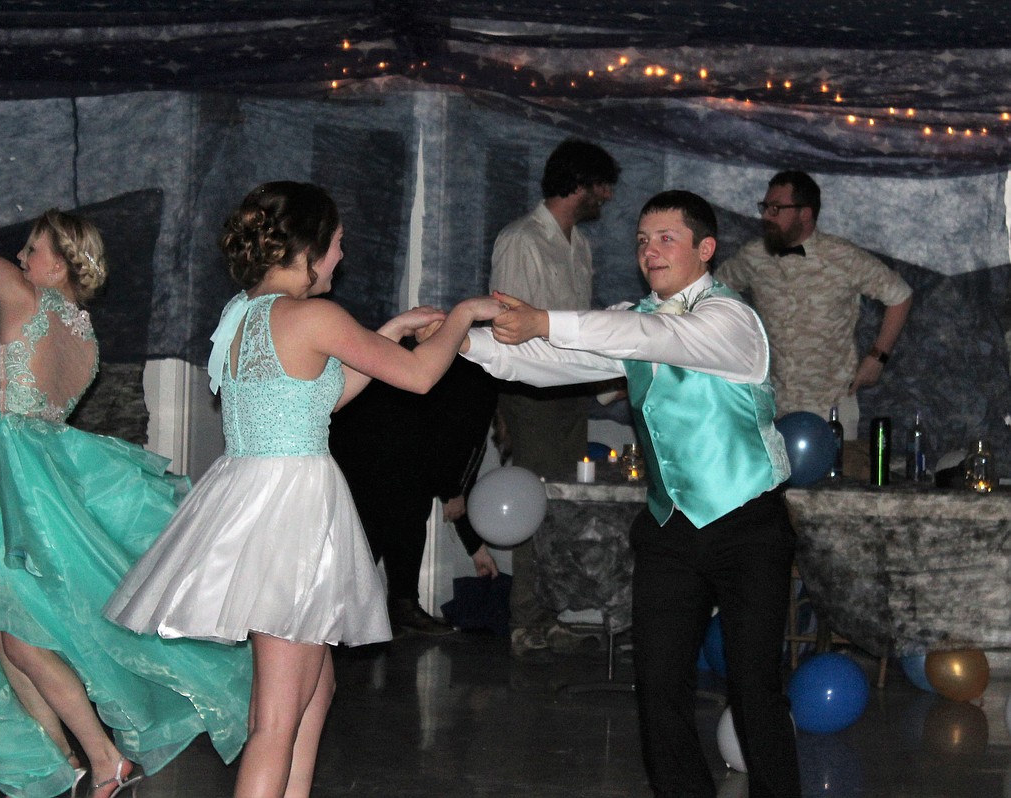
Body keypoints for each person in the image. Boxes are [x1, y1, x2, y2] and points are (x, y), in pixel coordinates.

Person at [105, 181, 504, 798]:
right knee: (277, 718)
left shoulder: (243, 313)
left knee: (316, 694)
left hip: (256, 495)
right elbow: (424, 377)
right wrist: (462, 317)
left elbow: (313, 399)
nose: (341, 258)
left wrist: (390, 330)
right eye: (338, 245)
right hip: (289, 510)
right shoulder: (314, 315)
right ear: (310, 247)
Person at [0, 140, 252, 798]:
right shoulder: (85, 333)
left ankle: (99, 758)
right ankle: (69, 761)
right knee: (7, 636)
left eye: (33, 248)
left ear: (64, 260)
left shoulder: (22, 298)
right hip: (36, 468)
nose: (20, 257)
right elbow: (24, 418)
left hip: (20, 485)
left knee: (17, 635)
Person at [463, 191, 800, 797]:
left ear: (705, 249)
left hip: (748, 526)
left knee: (755, 691)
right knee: (659, 689)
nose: (650, 250)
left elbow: (647, 338)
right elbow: (548, 362)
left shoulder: (732, 321)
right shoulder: (638, 317)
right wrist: (462, 340)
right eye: (643, 240)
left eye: (666, 238)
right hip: (672, 531)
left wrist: (545, 317)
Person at [489, 137, 620, 659]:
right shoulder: (522, 239)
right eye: (602, 186)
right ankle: (526, 620)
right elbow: (509, 326)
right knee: (531, 502)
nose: (607, 197)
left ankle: (550, 612)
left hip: (569, 392)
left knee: (561, 504)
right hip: (532, 393)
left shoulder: (579, 245)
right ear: (579, 183)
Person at [720, 170, 912, 438]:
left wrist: (878, 357)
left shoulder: (843, 257)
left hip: (832, 407)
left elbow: (900, 296)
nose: (765, 216)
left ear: (805, 213)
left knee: (837, 480)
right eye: (765, 207)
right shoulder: (754, 256)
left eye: (775, 208)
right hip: (771, 407)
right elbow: (716, 291)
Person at [330, 355, 500, 636]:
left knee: (392, 520)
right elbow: (455, 445)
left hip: (369, 439)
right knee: (382, 524)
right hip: (376, 442)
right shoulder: (478, 382)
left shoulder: (465, 373)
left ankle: (386, 608)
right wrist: (451, 492)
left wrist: (474, 546)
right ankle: (352, 616)